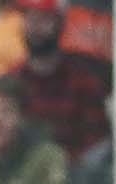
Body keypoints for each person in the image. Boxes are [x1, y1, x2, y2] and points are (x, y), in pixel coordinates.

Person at [14, 0, 110, 160]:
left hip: (75, 173)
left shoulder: (82, 81)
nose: (35, 27)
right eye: (30, 18)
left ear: (61, 23)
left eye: (44, 19)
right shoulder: (13, 79)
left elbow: (97, 142)